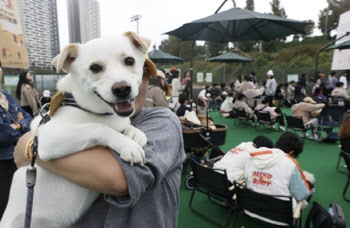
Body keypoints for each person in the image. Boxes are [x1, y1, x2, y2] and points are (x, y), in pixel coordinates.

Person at [13, 60, 185, 227]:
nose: (123, 83)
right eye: (101, 71)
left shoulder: (163, 120)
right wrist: (38, 147)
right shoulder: (82, 116)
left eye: (137, 70)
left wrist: (31, 147)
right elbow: (22, 158)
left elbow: (118, 180)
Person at [244, 132, 313, 226]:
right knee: (308, 185)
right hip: (280, 218)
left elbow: (247, 182)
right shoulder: (290, 163)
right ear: (291, 153)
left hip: (250, 208)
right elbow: (302, 195)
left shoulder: (253, 157)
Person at [0, 66, 32, 219]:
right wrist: (20, 125)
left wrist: (19, 124)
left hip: (15, 157)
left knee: (16, 204)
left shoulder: (5, 95)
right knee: (4, 205)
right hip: (2, 161)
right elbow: (2, 134)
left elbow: (28, 118)